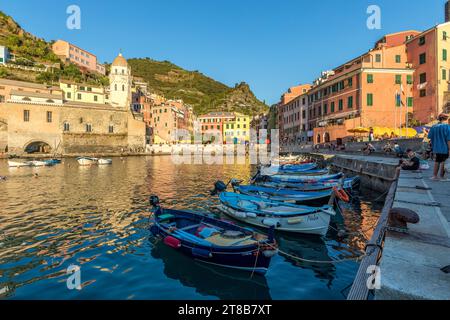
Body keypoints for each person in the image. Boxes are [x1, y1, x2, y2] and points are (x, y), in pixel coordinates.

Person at [427, 113, 450, 181]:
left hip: (436, 147)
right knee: (443, 161)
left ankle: (434, 176)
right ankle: (441, 177)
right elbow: (448, 139)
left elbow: (429, 137)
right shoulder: (447, 127)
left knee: (437, 161)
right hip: (444, 148)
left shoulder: (433, 126)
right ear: (446, 119)